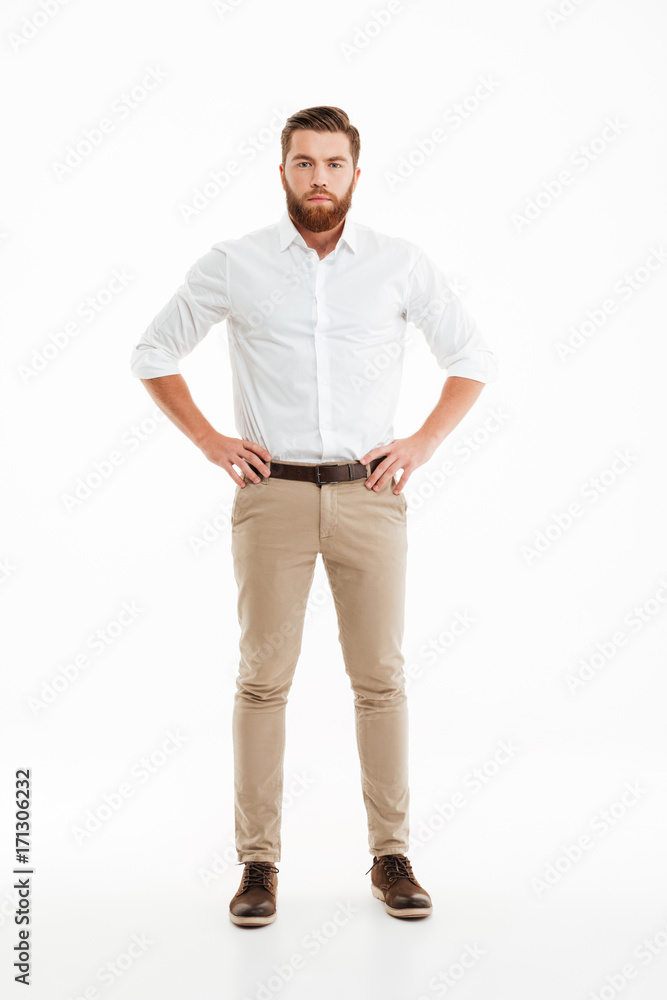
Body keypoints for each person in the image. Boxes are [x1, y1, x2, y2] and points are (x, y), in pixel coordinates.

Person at [130, 105, 499, 927]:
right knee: (263, 681)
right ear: (283, 173)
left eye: (334, 164)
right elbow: (152, 354)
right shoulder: (237, 262)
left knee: (380, 680)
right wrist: (208, 440)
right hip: (272, 496)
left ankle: (391, 855)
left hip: (371, 497)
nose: (319, 178)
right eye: (304, 163)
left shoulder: (399, 264)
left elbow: (471, 359)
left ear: (356, 175)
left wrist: (423, 442)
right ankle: (257, 865)